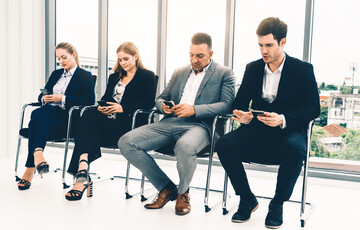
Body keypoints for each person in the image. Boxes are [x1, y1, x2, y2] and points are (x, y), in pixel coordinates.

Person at [215, 17, 320, 229]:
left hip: (288, 130)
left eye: (269, 45)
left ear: (283, 43)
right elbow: (240, 102)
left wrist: (284, 119)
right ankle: (246, 198)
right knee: (224, 144)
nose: (264, 51)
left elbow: (313, 108)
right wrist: (243, 115)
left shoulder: (302, 69)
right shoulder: (253, 68)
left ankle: (277, 203)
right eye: (261, 45)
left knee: (295, 148)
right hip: (257, 129)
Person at [119, 33, 235, 215]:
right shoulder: (179, 71)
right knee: (126, 142)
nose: (194, 60)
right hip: (170, 122)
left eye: (200, 56)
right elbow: (161, 98)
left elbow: (227, 104)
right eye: (191, 55)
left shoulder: (224, 73)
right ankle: (166, 188)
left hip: (201, 126)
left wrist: (194, 110)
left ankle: (183, 193)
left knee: (184, 146)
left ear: (210, 54)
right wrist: (163, 107)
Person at [65, 42, 157, 201]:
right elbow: (106, 98)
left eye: (126, 59)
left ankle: (81, 176)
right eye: (120, 60)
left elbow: (149, 103)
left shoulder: (147, 76)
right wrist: (102, 107)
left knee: (85, 126)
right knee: (88, 112)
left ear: (135, 56)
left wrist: (122, 108)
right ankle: (83, 167)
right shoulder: (115, 76)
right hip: (107, 122)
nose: (123, 63)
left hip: (128, 125)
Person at [17, 42, 95, 190]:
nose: (61, 61)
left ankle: (31, 166)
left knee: (36, 115)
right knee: (41, 112)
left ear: (74, 54)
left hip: (68, 118)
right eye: (59, 58)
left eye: (64, 57)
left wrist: (63, 99)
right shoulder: (56, 74)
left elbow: (90, 101)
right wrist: (43, 98)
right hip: (48, 118)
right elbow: (43, 93)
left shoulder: (85, 75)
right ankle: (38, 155)